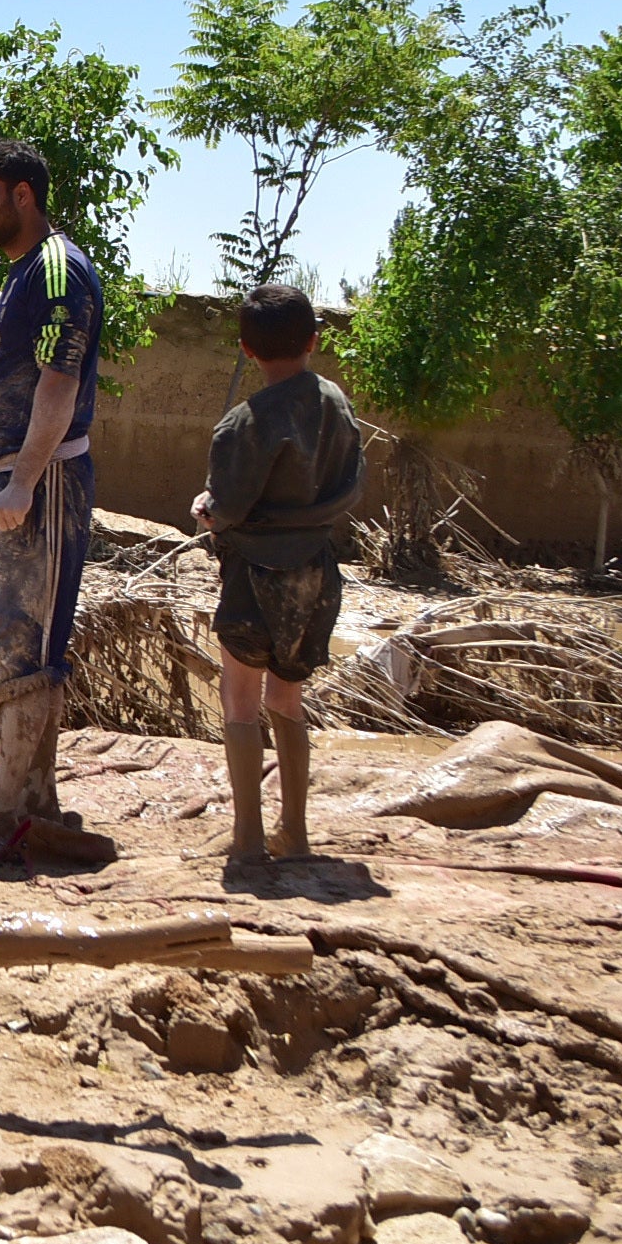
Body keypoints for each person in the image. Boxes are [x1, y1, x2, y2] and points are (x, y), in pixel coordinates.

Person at [0, 140, 107, 862]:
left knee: (25, 646)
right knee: (17, 641)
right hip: (6, 482)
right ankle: (37, 799)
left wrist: (22, 481)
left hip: (35, 486)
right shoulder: (21, 273)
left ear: (23, 194)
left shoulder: (56, 271)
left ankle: (1, 813)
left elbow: (58, 382)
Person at [192, 282, 365, 864]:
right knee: (286, 697)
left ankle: (246, 840)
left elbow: (228, 508)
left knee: (239, 697)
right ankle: (295, 832)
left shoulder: (242, 422)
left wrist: (207, 510)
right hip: (317, 571)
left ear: (246, 348)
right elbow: (349, 485)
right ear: (315, 340)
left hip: (253, 574)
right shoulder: (337, 405)